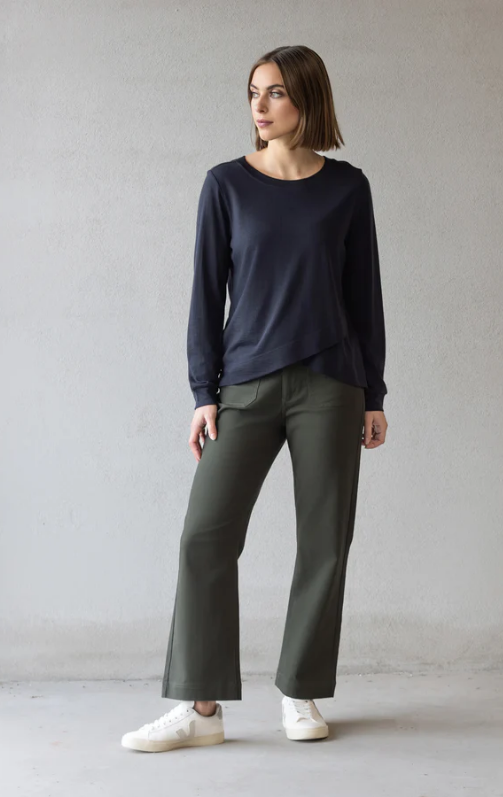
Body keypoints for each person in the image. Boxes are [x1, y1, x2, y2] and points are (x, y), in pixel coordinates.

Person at [121, 44, 388, 753]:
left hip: (332, 383)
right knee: (205, 535)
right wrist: (202, 391)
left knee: (324, 541)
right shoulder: (226, 185)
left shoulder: (348, 188)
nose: (259, 107)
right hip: (246, 382)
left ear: (307, 99)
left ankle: (300, 690)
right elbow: (206, 293)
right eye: (253, 93)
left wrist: (374, 392)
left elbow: (364, 295)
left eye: (274, 93)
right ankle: (200, 708)